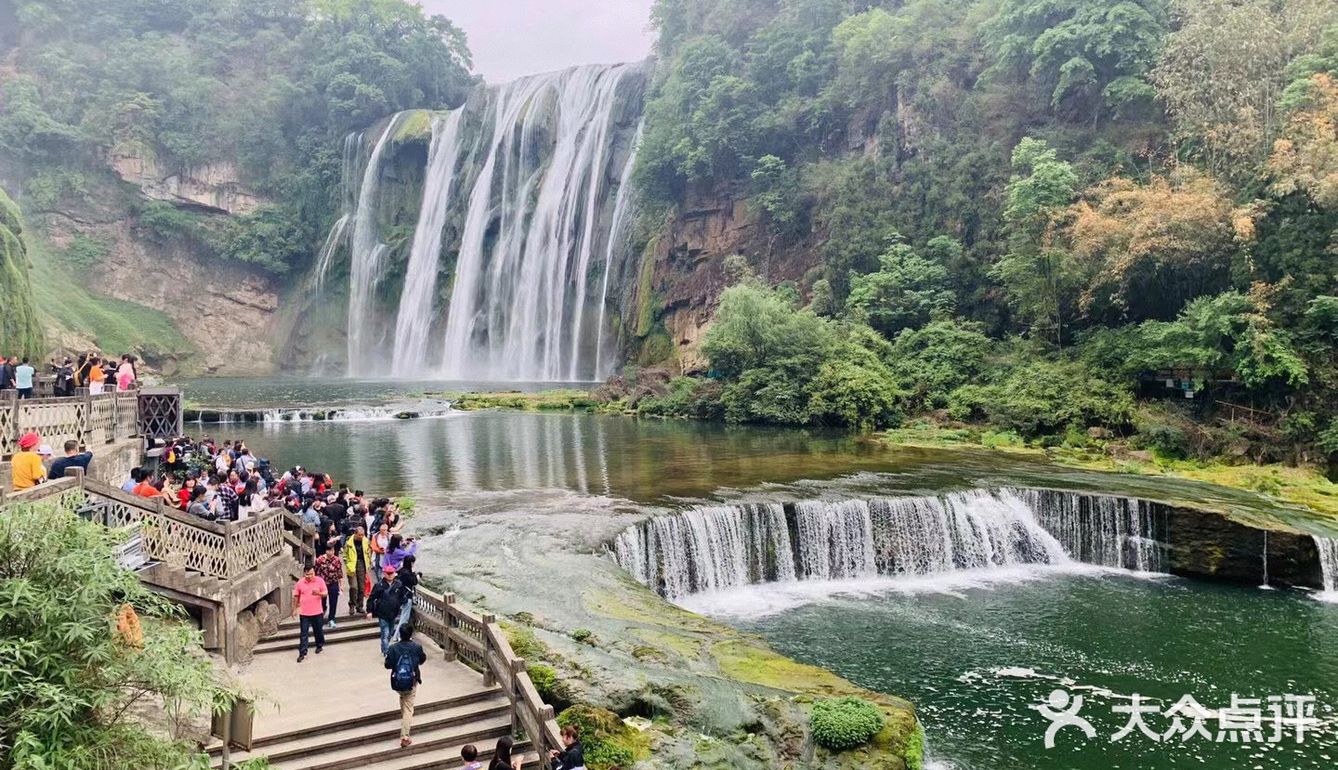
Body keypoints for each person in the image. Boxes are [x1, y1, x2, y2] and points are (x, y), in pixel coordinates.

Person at [384, 623, 427, 748]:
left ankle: (404, 722)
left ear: (400, 634)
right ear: (411, 634)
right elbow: (422, 659)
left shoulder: (393, 648)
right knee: (409, 707)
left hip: (397, 681)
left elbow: (387, 665)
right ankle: (405, 736)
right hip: (411, 680)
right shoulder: (416, 647)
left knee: (403, 698)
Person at [367, 565, 406, 656]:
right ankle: (386, 652)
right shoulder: (379, 585)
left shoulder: (398, 585)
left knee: (390, 633)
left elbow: (402, 597)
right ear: (384, 574)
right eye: (387, 573)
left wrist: (403, 601)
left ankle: (384, 648)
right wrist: (369, 611)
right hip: (382, 613)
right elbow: (371, 599)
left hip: (393, 613)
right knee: (385, 632)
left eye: (391, 573)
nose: (389, 575)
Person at [291, 564, 327, 662]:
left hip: (317, 611)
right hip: (304, 612)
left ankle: (319, 645)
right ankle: (302, 652)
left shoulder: (320, 581)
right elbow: (296, 596)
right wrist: (294, 609)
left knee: (318, 630)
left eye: (311, 574)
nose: (309, 576)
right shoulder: (300, 582)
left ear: (314, 573)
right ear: (304, 574)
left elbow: (325, 593)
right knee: (304, 633)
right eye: (307, 575)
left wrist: (318, 593)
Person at [314, 542, 344, 630]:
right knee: (322, 601)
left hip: (333, 582)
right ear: (326, 551)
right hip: (322, 584)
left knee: (333, 602)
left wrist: (341, 585)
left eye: (333, 550)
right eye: (330, 550)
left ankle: (331, 619)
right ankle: (322, 613)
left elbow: (339, 573)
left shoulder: (337, 560)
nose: (331, 552)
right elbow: (315, 572)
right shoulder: (319, 560)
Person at [343, 526, 373, 615]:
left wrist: (369, 562)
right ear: (355, 534)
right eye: (359, 535)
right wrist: (348, 564)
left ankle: (360, 606)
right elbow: (345, 554)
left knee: (362, 587)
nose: (361, 536)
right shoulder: (349, 542)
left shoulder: (366, 541)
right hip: (352, 565)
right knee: (353, 587)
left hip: (362, 564)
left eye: (362, 535)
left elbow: (368, 552)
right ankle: (352, 604)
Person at [394, 554, 419, 636]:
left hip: (401, 595)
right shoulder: (407, 573)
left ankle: (397, 634)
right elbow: (414, 582)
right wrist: (415, 574)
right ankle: (398, 635)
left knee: (403, 616)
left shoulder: (401, 571)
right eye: (412, 562)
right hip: (407, 596)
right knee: (404, 617)